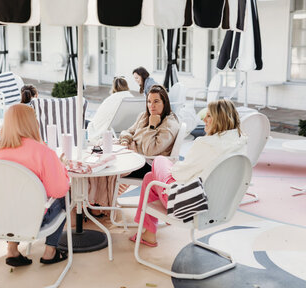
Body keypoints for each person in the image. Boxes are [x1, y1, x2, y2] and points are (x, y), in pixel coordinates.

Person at [130, 99, 247, 247]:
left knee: (159, 160)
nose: (204, 119)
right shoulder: (239, 143)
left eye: (209, 116)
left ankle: (149, 232)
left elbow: (179, 174)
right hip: (217, 206)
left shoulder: (206, 144)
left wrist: (174, 167)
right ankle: (149, 233)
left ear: (220, 119)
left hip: (186, 204)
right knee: (149, 178)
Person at [0, 104, 70, 267]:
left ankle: (12, 249)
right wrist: (60, 167)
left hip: (4, 219)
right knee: (64, 197)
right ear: (30, 123)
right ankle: (50, 252)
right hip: (35, 219)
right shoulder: (43, 152)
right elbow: (59, 189)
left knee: (12, 197)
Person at [87, 85, 180, 210]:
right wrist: (125, 141)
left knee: (108, 165)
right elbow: (128, 131)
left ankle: (101, 205)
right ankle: (96, 202)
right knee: (101, 155)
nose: (151, 105)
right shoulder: (144, 116)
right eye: (149, 101)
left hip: (148, 164)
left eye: (156, 101)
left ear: (165, 103)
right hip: (135, 155)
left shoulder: (169, 124)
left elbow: (149, 150)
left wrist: (152, 127)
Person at [87, 76, 134, 144]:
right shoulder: (131, 98)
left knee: (88, 123)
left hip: (110, 129)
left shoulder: (111, 99)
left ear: (114, 87)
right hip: (126, 127)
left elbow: (99, 117)